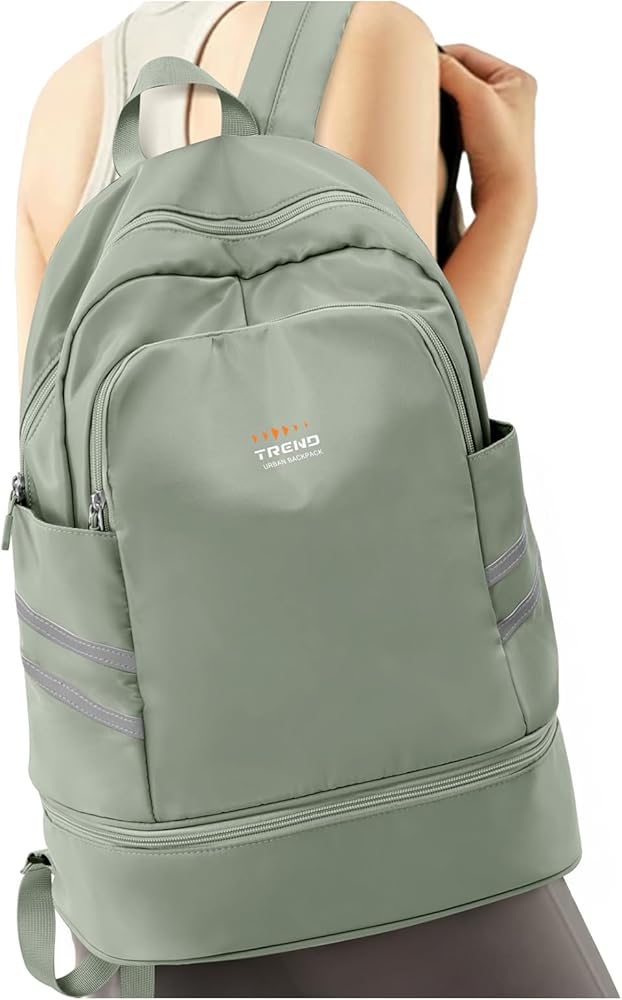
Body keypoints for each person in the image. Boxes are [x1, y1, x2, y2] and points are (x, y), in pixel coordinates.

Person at [15, 3, 618, 997]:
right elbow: (390, 439)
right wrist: (510, 197)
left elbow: (58, 476)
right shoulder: (369, 34)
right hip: (424, 819)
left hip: (163, 879)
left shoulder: (64, 105)